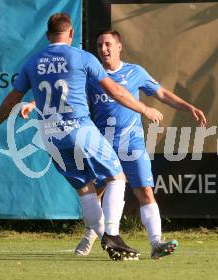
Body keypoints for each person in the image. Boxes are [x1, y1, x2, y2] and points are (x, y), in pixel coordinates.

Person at [0, 14, 163, 261]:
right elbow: (116, 91)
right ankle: (112, 234)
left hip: (51, 136)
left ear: (48, 36)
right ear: (70, 34)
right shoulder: (82, 57)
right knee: (116, 177)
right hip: (80, 129)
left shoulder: (33, 62)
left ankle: (107, 241)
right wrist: (145, 109)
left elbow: (12, 99)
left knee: (85, 190)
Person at [23, 29, 207, 259]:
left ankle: (156, 243)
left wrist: (188, 107)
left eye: (108, 44)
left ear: (119, 47)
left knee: (145, 192)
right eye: (99, 45)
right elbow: (64, 91)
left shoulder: (135, 72)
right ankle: (94, 235)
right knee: (95, 193)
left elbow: (162, 93)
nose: (103, 49)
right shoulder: (91, 74)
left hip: (132, 144)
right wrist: (32, 103)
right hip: (102, 144)